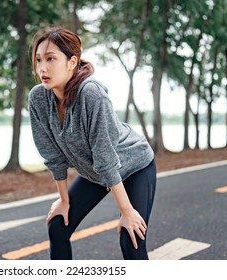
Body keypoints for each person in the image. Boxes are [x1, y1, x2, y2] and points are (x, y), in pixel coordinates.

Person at [28, 26, 156, 260]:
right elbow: (52, 156)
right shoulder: (38, 98)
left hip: (134, 165)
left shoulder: (92, 95)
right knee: (58, 227)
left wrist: (126, 212)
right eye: (38, 60)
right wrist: (64, 200)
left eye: (50, 59)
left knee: (131, 239)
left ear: (71, 61)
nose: (42, 68)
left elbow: (106, 158)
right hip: (95, 172)